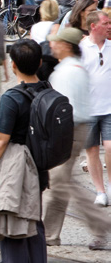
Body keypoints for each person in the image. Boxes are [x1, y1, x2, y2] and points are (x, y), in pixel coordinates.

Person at [0, 39, 48, 262]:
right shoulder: (47, 91)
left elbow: (0, 141)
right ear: (40, 63)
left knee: (12, 224)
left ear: (12, 65)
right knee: (34, 221)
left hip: (16, 170)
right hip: (40, 167)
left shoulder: (12, 98)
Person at [43, 27, 111, 250]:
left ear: (66, 46)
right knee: (60, 184)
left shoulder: (70, 71)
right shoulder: (68, 68)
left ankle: (101, 224)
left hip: (68, 132)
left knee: (62, 184)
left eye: (56, 42)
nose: (52, 44)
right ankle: (50, 235)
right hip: (71, 130)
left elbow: (63, 110)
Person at [79, 11, 111, 206]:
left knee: (109, 147)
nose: (109, 26)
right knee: (91, 151)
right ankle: (100, 191)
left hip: (109, 108)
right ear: (93, 26)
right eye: (106, 23)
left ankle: (110, 184)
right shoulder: (81, 48)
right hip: (87, 109)